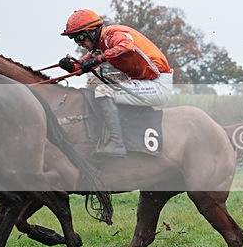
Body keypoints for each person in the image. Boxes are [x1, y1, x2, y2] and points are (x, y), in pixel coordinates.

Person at [59, 9, 173, 157]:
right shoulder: (100, 45)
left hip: (157, 84)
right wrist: (69, 66)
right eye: (75, 40)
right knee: (94, 82)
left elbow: (126, 46)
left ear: (92, 32)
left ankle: (116, 143)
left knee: (102, 91)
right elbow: (82, 66)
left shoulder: (112, 35)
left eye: (80, 38)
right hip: (141, 81)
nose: (80, 44)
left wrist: (99, 59)